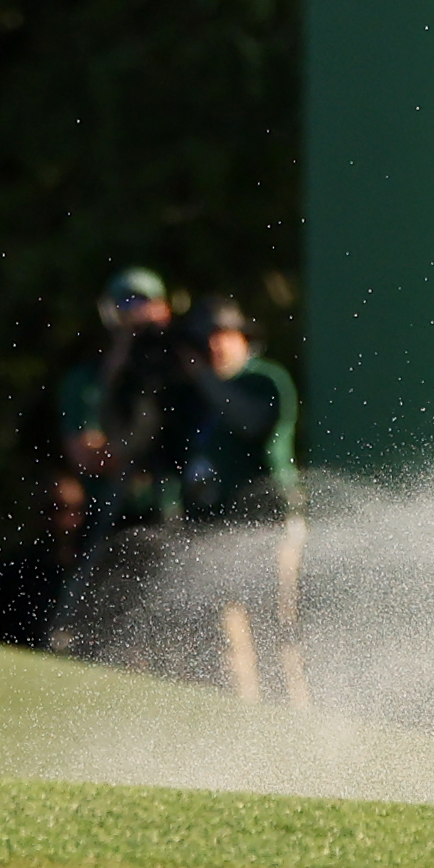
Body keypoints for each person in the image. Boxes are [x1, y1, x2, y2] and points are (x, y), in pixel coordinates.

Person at [161, 296, 305, 703]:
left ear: (245, 339)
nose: (214, 347)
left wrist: (204, 377)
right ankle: (246, 728)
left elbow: (252, 423)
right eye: (205, 339)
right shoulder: (188, 395)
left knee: (275, 631)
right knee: (226, 639)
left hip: (266, 523)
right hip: (212, 526)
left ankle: (290, 725)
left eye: (223, 336)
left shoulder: (265, 379)